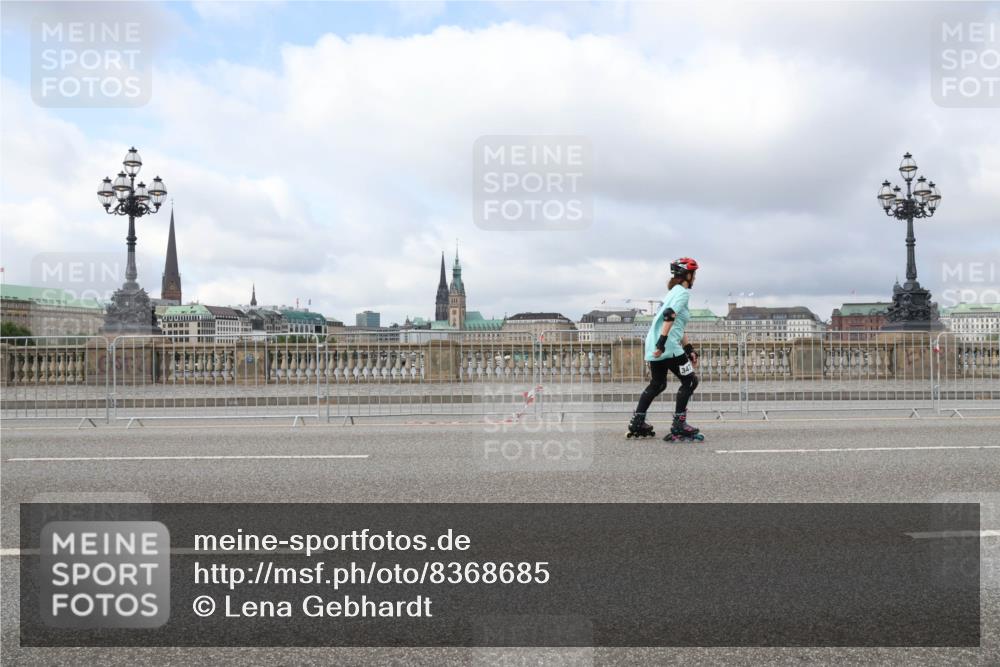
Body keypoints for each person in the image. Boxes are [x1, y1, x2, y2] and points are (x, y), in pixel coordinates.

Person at [626, 257, 703, 441]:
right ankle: (679, 424)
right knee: (690, 381)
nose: (695, 278)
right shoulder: (683, 293)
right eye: (694, 274)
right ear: (688, 274)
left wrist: (689, 347)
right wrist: (662, 343)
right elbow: (670, 316)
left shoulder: (671, 293)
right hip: (667, 346)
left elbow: (676, 323)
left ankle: (637, 421)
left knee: (658, 384)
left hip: (654, 345)